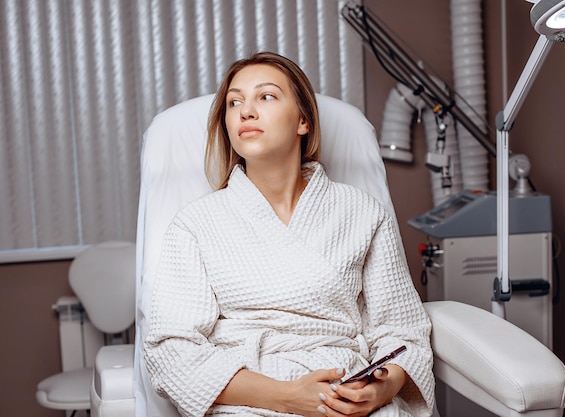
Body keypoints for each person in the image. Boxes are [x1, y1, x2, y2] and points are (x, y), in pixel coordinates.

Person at [144, 51, 435, 417]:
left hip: (347, 396)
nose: (245, 111)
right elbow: (171, 350)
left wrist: (380, 390)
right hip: (249, 400)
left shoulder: (361, 213)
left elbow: (403, 331)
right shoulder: (196, 224)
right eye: (234, 102)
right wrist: (284, 396)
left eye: (265, 96)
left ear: (302, 121)